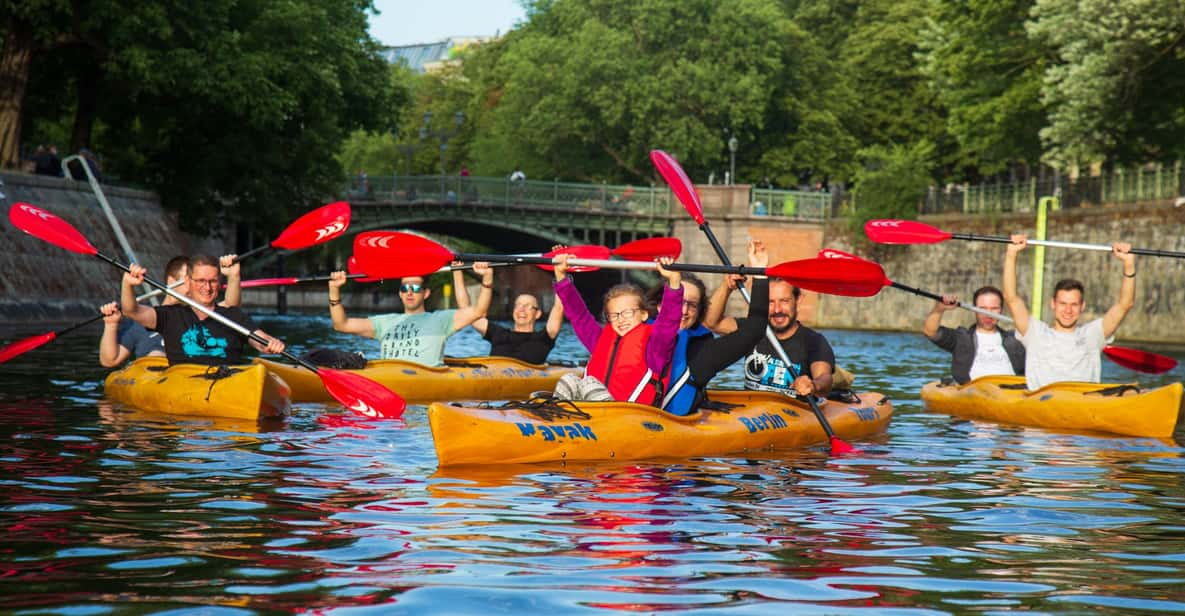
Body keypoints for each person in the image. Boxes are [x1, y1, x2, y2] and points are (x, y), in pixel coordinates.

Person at [644, 240, 771, 415]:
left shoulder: (700, 354)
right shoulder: (635, 331)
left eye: (692, 305)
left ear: (699, 313)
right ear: (659, 305)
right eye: (678, 301)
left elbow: (754, 330)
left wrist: (760, 274)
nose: (684, 311)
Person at [1003, 233, 1136, 389]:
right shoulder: (1035, 333)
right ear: (1053, 304)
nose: (1068, 310)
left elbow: (1125, 304)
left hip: (1083, 403)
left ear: (1082, 306)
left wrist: (1129, 264)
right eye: (1063, 303)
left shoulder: (1092, 335)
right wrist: (1011, 254)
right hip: (1043, 404)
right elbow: (1011, 298)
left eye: (1074, 304)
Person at [551, 253, 683, 403]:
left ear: (644, 314)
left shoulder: (655, 346)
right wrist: (561, 276)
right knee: (569, 379)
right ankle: (558, 418)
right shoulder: (600, 339)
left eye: (628, 312)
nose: (621, 319)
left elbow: (669, 321)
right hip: (591, 411)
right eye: (614, 315)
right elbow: (578, 315)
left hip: (628, 414)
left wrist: (674, 281)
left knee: (589, 384)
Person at [120, 255, 282, 366]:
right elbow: (131, 311)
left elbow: (260, 341)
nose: (207, 287)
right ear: (188, 282)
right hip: (184, 382)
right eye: (201, 281)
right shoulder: (170, 315)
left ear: (219, 283)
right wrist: (128, 285)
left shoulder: (233, 316)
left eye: (212, 281)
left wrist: (271, 344)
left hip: (226, 381)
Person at [327, 263, 494, 366]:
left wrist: (487, 280)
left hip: (424, 380)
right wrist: (334, 289)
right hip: (390, 379)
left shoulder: (441, 319)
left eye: (415, 288)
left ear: (426, 293)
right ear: (400, 293)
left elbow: (478, 311)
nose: (409, 292)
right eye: (404, 288)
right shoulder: (384, 322)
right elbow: (341, 324)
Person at [703, 273, 835, 397]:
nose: (777, 310)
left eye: (784, 301)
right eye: (770, 302)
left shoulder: (814, 340)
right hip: (753, 412)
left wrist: (813, 385)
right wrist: (727, 286)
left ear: (798, 300)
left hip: (795, 412)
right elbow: (712, 323)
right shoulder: (752, 329)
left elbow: (825, 377)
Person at [101, 255, 244, 367]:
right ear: (171, 281)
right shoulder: (143, 321)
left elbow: (231, 307)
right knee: (156, 355)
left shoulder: (207, 315)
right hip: (157, 381)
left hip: (195, 378)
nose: (195, 287)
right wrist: (111, 325)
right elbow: (110, 361)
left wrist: (233, 277)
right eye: (187, 281)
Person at [454, 266, 564, 364]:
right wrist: (457, 270)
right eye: (518, 305)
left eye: (527, 306)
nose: (521, 310)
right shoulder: (497, 333)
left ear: (538, 314)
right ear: (513, 311)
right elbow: (466, 310)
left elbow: (559, 308)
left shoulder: (544, 337)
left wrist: (559, 272)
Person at [923, 286, 1026, 384]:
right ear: (974, 310)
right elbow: (930, 331)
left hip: (1013, 393)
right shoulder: (961, 338)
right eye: (982, 308)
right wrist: (939, 308)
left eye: (994, 308)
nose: (988, 314)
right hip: (973, 393)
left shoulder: (1017, 339)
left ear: (1001, 310)